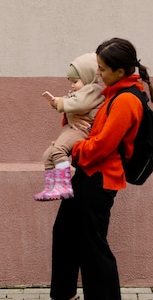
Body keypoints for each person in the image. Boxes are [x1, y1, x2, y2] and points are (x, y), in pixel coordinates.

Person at [35, 38, 153, 300]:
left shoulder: (127, 100)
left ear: (119, 70)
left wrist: (75, 153)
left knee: (93, 243)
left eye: (103, 69)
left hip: (101, 178)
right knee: (64, 232)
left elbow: (104, 144)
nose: (98, 74)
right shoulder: (112, 93)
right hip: (87, 175)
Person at [34, 53, 104, 201]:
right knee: (48, 154)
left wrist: (61, 103)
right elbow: (71, 101)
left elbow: (80, 104)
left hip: (83, 129)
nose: (72, 85)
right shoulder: (79, 91)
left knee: (58, 150)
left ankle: (63, 185)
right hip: (73, 128)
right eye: (71, 81)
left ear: (87, 76)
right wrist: (56, 102)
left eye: (75, 81)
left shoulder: (93, 90)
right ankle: (51, 186)